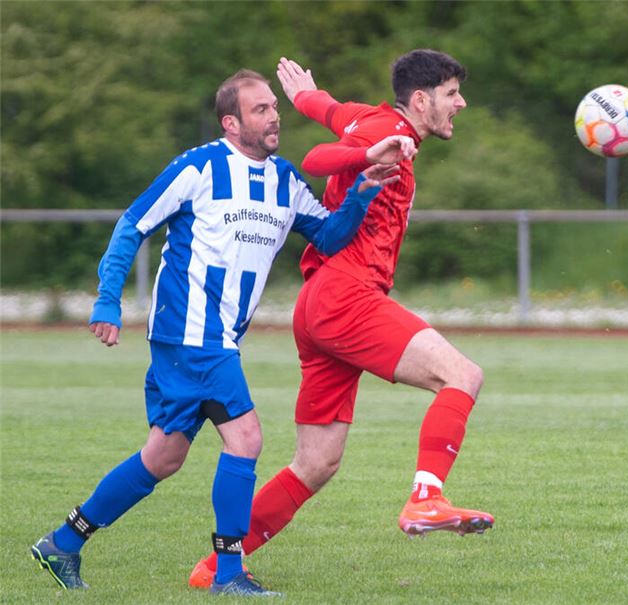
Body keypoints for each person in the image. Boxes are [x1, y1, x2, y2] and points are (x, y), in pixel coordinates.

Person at [30, 68, 403, 596]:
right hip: (189, 331)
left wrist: (362, 192)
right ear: (231, 122)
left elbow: (330, 236)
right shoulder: (200, 167)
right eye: (260, 109)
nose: (274, 116)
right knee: (246, 438)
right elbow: (132, 224)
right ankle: (229, 574)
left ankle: (63, 542)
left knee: (163, 457)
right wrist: (109, 299)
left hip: (218, 337)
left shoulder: (286, 180)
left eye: (275, 106)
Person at [188, 50, 493, 590]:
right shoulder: (385, 131)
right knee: (462, 376)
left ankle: (215, 566)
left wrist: (305, 95)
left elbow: (326, 109)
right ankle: (426, 498)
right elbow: (318, 158)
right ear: (421, 101)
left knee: (317, 461)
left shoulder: (371, 116)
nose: (460, 103)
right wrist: (368, 153)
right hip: (347, 293)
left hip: (319, 302)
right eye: (452, 93)